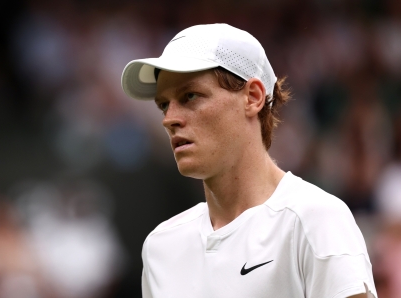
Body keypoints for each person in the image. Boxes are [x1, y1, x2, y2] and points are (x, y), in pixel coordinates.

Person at [120, 24, 377, 298]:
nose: (168, 119)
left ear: (253, 97)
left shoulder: (315, 220)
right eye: (163, 104)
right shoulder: (160, 246)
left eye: (190, 96)